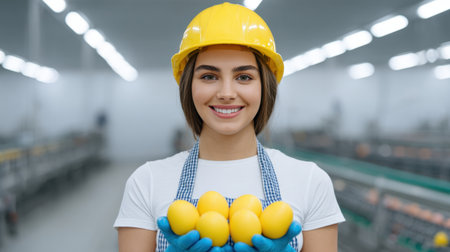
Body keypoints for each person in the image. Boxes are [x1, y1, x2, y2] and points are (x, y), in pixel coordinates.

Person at [114, 2, 345, 252]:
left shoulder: (310, 181)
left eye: (243, 77)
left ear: (264, 86)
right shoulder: (146, 182)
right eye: (209, 76)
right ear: (188, 87)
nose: (226, 93)